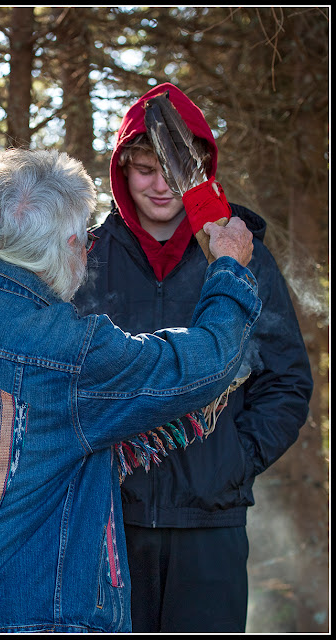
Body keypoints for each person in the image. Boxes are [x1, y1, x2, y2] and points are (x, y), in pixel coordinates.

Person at [0, 146, 260, 633]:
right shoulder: (64, 349)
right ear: (58, 246)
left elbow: (26, 454)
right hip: (25, 617)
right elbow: (203, 364)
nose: (88, 251)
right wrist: (230, 268)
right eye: (82, 239)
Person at [73, 82, 313, 633]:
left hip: (211, 523)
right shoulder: (85, 258)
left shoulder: (241, 255)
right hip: (106, 522)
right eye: (144, 169)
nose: (160, 186)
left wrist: (234, 458)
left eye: (175, 170)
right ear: (121, 172)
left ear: (201, 172)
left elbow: (286, 379)